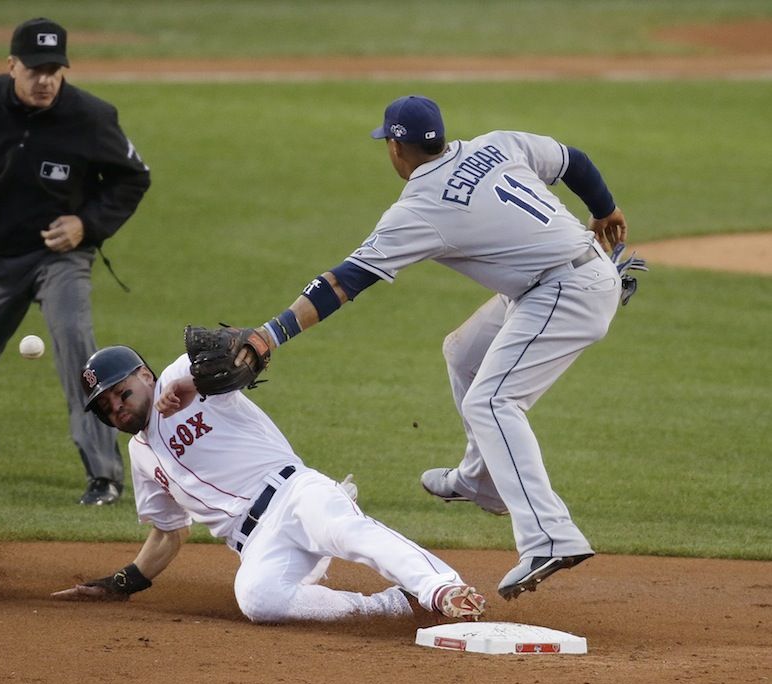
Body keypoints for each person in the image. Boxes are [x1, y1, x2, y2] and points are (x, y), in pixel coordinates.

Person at [236, 95, 632, 600]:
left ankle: (549, 536)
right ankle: (480, 481)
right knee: (463, 352)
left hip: (564, 293)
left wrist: (271, 332)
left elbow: (344, 282)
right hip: (567, 278)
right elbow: (573, 159)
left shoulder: (420, 207)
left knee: (493, 401)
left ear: (396, 148)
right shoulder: (497, 143)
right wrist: (606, 210)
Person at [0, 18, 151, 505]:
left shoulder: (90, 116)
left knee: (81, 355)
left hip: (60, 259)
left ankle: (104, 477)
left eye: (55, 69)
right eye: (35, 69)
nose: (45, 80)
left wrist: (87, 225)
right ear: (11, 65)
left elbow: (132, 177)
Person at [49, 345, 487, 624]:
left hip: (295, 494)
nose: (118, 409)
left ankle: (441, 588)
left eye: (122, 394)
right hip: (257, 543)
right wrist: (123, 583)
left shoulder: (182, 375)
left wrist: (189, 381)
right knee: (257, 599)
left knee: (345, 530)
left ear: (145, 376)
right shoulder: (140, 456)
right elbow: (168, 532)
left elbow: (242, 353)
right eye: (107, 408)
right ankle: (391, 606)